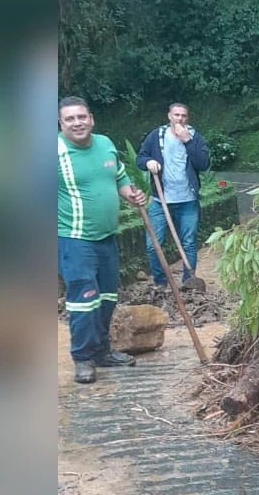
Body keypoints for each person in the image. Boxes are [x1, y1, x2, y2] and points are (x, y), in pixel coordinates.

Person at [58, 96, 147, 383]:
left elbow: (119, 177)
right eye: (70, 119)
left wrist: (131, 194)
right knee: (84, 300)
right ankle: (83, 358)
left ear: (91, 119)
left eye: (81, 117)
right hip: (74, 240)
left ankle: (101, 351)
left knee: (107, 297)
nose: (77, 123)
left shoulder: (105, 144)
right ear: (60, 123)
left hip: (107, 237)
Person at [135, 103, 210, 288]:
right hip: (161, 201)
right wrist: (148, 161)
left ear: (187, 118)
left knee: (189, 243)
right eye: (176, 115)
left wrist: (187, 141)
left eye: (183, 115)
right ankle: (161, 282)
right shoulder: (156, 136)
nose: (180, 119)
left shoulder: (195, 136)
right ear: (169, 116)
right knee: (153, 245)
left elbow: (203, 164)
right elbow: (140, 158)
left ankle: (188, 283)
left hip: (188, 201)